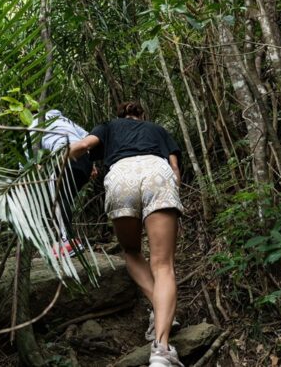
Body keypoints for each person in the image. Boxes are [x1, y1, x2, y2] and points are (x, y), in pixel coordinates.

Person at [69, 101, 184, 367]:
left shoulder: (109, 126)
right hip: (157, 172)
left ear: (120, 115)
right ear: (142, 115)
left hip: (121, 176)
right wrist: (173, 191)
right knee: (163, 264)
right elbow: (175, 168)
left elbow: (83, 147)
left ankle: (158, 310)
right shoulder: (156, 129)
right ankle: (162, 351)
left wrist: (58, 158)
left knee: (131, 251)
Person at [32, 109, 96, 257]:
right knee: (65, 197)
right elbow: (88, 137)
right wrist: (92, 164)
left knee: (58, 197)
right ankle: (69, 238)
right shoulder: (65, 120)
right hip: (83, 159)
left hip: (64, 156)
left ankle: (68, 241)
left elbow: (30, 152)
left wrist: (32, 167)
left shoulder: (36, 122)